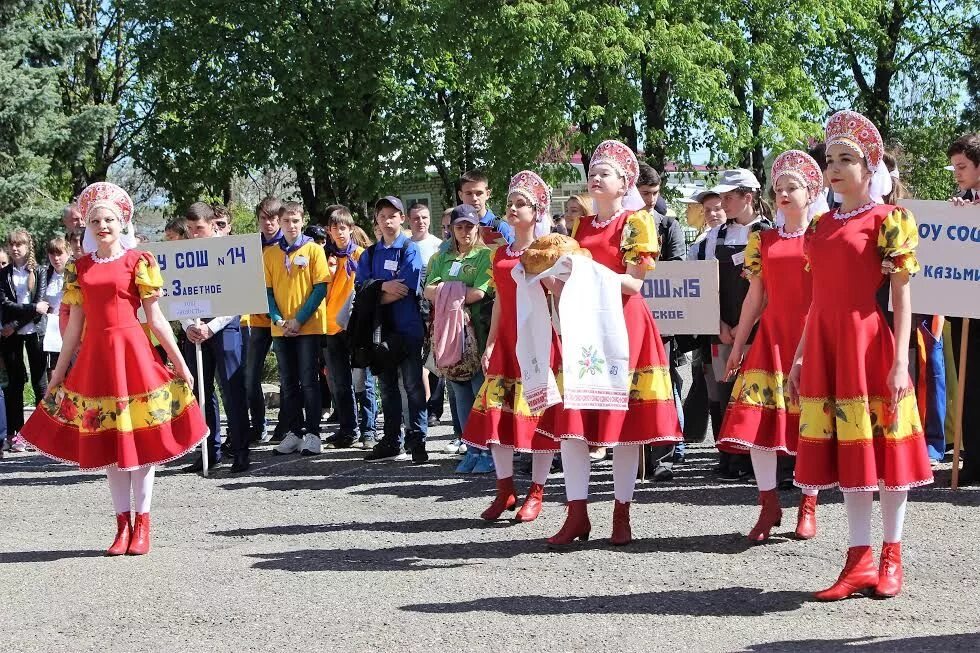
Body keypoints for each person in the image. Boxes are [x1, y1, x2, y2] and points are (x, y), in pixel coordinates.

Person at [787, 110, 933, 600]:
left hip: (869, 345)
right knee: (850, 455)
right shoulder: (820, 226)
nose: (835, 168)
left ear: (870, 168)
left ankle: (892, 554)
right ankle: (858, 559)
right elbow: (816, 302)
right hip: (828, 346)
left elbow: (902, 296)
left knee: (884, 452)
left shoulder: (890, 220)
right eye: (830, 159)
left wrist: (901, 363)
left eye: (847, 159)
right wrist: (800, 357)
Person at [20, 182, 207, 555]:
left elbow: (155, 319)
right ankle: (122, 525)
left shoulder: (139, 261)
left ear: (122, 222)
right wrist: (58, 374)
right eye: (95, 221)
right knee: (110, 446)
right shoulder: (81, 267)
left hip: (134, 355)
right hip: (97, 359)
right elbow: (74, 325)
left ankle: (144, 526)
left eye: (109, 220)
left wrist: (180, 362)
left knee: (140, 443)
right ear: (87, 226)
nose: (102, 225)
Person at [545, 140, 683, 546]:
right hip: (584, 328)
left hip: (625, 328)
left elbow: (634, 283)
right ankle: (577, 514)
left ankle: (621, 513)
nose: (595, 177)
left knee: (624, 427)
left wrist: (584, 272)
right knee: (574, 427)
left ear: (625, 183)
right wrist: (547, 278)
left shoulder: (638, 222)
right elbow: (568, 276)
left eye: (605, 172)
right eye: (593, 171)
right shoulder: (579, 227)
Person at [717, 150, 826, 543]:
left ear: (811, 191)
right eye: (778, 188)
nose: (782, 193)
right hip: (772, 338)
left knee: (810, 424)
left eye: (791, 187)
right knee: (758, 424)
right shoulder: (761, 238)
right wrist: (738, 345)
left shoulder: (823, 234)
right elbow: (755, 298)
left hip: (813, 336)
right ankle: (768, 504)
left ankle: (808, 504)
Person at [462, 171, 560, 521]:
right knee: (495, 416)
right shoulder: (500, 253)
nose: (513, 209)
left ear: (537, 211)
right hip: (506, 342)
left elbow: (560, 296)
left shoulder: (548, 249)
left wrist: (544, 270)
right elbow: (502, 300)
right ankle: (504, 490)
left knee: (540, 417)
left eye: (522, 204)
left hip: (538, 341)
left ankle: (537, 491)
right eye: (511, 203)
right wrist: (490, 343)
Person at [702, 169, 774, 481]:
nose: (723, 202)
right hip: (721, 328)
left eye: (729, 197)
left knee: (755, 392)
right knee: (721, 392)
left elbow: (771, 287)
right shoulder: (714, 237)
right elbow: (704, 283)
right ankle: (727, 457)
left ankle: (753, 457)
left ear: (748, 197)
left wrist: (749, 321)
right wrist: (717, 322)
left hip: (759, 327)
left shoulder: (769, 232)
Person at [356, 196, 428, 463]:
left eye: (393, 215)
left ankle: (417, 440)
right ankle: (391, 440)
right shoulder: (370, 254)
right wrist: (383, 287)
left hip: (408, 330)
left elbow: (405, 288)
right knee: (386, 388)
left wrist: (374, 291)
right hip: (380, 332)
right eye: (383, 215)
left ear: (402, 219)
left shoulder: (410, 249)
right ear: (377, 220)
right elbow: (360, 290)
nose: (388, 221)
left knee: (412, 386)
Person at [180, 202, 250, 473]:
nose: (194, 234)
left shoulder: (227, 253)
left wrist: (212, 327)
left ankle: (241, 450)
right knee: (200, 392)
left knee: (232, 390)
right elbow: (175, 295)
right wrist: (188, 325)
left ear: (212, 225)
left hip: (224, 328)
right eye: (190, 229)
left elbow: (238, 295)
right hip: (194, 331)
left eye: (199, 228)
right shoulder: (181, 255)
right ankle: (210, 449)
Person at [424, 204, 494, 473]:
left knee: (480, 394)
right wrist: (454, 291)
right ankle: (471, 448)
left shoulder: (485, 256)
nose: (464, 231)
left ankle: (488, 450)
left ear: (477, 227)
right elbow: (427, 289)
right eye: (459, 226)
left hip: (477, 333)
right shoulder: (442, 257)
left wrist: (446, 290)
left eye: (469, 226)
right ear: (452, 229)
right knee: (460, 395)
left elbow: (480, 292)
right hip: (450, 336)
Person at [265, 202, 329, 457]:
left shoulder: (314, 250)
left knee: (309, 381)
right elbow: (266, 291)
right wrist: (278, 317)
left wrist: (299, 319)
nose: (291, 226)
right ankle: (294, 431)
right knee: (288, 383)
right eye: (286, 221)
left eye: (295, 221)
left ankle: (313, 433)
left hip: (308, 327)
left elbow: (320, 288)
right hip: (281, 328)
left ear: (302, 221)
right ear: (279, 223)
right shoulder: (269, 254)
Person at [637, 163, 688, 476]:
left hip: (660, 321)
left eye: (655, 193)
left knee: (662, 386)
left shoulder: (668, 225)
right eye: (645, 193)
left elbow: (678, 270)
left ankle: (663, 458)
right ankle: (635, 459)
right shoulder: (623, 226)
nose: (650, 199)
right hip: (627, 317)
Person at [947, 133, 980, 482]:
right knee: (968, 383)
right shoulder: (957, 203)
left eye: (962, 167)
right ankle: (972, 460)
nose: (957, 173)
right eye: (954, 167)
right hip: (964, 308)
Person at [320, 206, 365, 449]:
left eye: (343, 227)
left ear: (351, 229)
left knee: (363, 380)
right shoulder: (323, 256)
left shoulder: (360, 255)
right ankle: (348, 428)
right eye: (335, 228)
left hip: (354, 326)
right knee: (338, 381)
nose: (339, 232)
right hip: (329, 325)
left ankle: (368, 430)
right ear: (329, 231)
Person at [1, 228, 49, 453]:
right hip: (12, 337)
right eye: (12, 244)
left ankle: (42, 433)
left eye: (19, 244)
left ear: (28, 246)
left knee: (40, 383)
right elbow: (6, 304)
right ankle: (16, 433)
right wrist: (27, 312)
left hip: (35, 333)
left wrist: (15, 325)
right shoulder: (4, 273)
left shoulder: (39, 271)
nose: (15, 248)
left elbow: (42, 306)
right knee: (15, 383)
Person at [246, 197, 284, 443]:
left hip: (284, 320)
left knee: (288, 377)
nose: (268, 223)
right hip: (259, 320)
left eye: (272, 218)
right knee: (250, 377)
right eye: (263, 218)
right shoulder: (250, 246)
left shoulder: (288, 244)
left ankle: (287, 425)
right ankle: (259, 425)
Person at [458, 170, 514, 245]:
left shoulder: (499, 227)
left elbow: (513, 255)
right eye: (469, 193)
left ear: (487, 194)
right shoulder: (457, 227)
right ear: (460, 195)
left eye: (479, 193)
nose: (474, 198)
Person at [42, 237, 70, 377]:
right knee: (54, 371)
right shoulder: (45, 275)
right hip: (52, 330)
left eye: (59, 253)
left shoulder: (75, 273)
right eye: (52, 254)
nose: (56, 258)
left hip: (72, 327)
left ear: (68, 253)